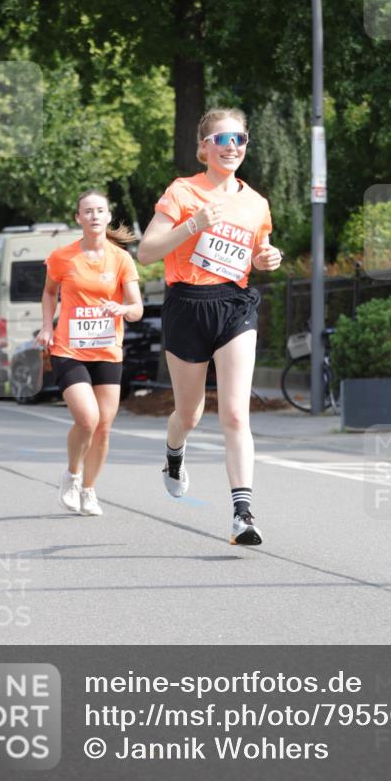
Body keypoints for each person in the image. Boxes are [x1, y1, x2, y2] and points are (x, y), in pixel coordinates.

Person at [137, 108, 282, 545]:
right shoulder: (183, 192)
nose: (233, 146)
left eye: (240, 138)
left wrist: (266, 259)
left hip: (235, 305)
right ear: (204, 148)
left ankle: (243, 513)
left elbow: (259, 250)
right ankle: (174, 454)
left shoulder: (256, 202)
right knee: (190, 413)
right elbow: (146, 252)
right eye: (222, 139)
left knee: (236, 411)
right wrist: (193, 224)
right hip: (188, 304)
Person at [37, 190, 143, 517]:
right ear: (78, 218)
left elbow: (137, 308)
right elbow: (49, 292)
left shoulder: (121, 259)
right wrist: (46, 326)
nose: (95, 216)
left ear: (109, 216)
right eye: (88, 211)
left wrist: (122, 307)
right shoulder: (62, 257)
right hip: (69, 348)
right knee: (87, 418)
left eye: (100, 210)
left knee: (104, 427)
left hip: (108, 351)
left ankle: (89, 490)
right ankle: (71, 474)